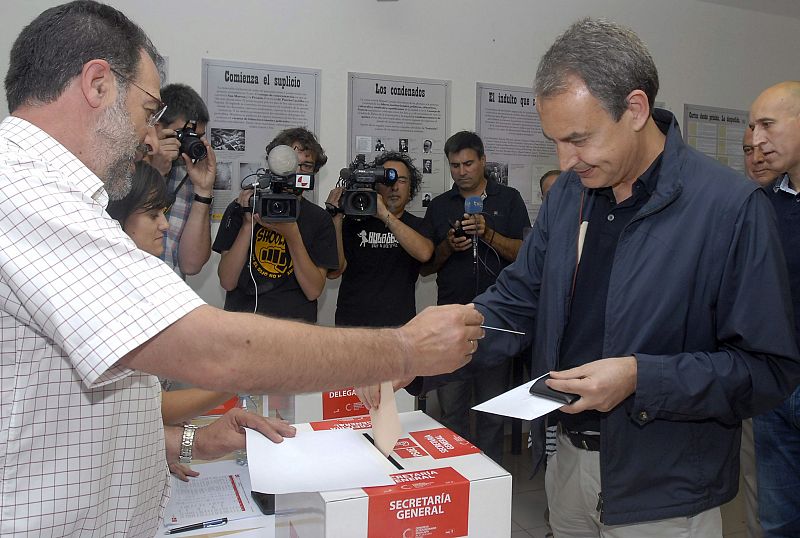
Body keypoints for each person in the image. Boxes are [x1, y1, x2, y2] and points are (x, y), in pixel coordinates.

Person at [0, 3, 483, 535]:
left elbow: (75, 410)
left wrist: (195, 441)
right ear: (97, 84)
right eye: (148, 110)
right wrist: (403, 350)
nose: (147, 137)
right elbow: (214, 349)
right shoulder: (22, 192)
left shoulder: (58, 197)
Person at [365, 18, 800, 537]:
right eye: (554, 141)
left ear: (635, 109)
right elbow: (518, 300)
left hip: (662, 491)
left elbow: (766, 369)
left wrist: (641, 379)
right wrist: (419, 356)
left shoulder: (730, 208)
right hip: (566, 463)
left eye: (578, 139)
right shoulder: (571, 195)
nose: (565, 162)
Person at [107, 161, 260, 481]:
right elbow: (155, 407)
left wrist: (168, 446)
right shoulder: (109, 298)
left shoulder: (138, 283)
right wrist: (243, 379)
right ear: (116, 221)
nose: (164, 225)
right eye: (153, 216)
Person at [419, 130, 531, 464]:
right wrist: (447, 248)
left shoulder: (508, 199)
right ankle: (455, 478)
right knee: (452, 409)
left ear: (483, 161)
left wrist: (490, 233)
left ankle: (489, 479)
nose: (462, 171)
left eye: (468, 163)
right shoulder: (440, 206)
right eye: (455, 166)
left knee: (492, 412)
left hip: (496, 323)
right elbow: (426, 267)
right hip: (451, 321)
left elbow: (526, 255)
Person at [214, 127, 338, 322]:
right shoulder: (244, 206)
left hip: (295, 327)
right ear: (271, 163)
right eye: (288, 162)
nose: (296, 171)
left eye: (306, 166)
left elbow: (313, 291)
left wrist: (292, 235)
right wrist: (248, 225)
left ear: (314, 173)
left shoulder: (319, 219)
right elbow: (227, 281)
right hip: (243, 324)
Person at [749, 81, 800, 538]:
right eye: (752, 127)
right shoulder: (764, 205)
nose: (757, 139)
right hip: (775, 385)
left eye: (768, 124)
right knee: (779, 518)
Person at [326, 151, 432, 327]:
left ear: (411, 187)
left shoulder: (417, 225)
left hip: (399, 326)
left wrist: (384, 214)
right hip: (352, 325)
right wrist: (336, 218)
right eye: (388, 180)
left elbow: (425, 253)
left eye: (402, 180)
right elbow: (334, 272)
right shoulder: (352, 223)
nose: (395, 187)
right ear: (375, 185)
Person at [149, 83, 216, 277]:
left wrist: (203, 191)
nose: (191, 142)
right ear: (157, 126)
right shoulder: (129, 166)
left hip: (171, 297)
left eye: (198, 136)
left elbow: (191, 265)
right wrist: (154, 173)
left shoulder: (192, 178)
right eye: (184, 135)